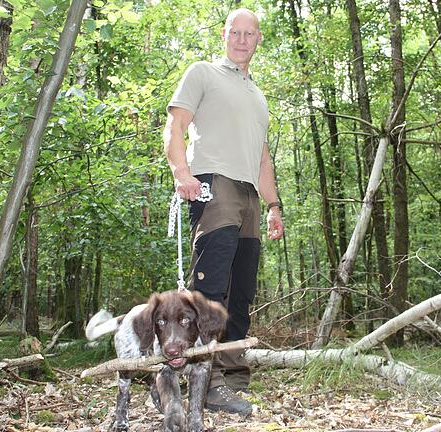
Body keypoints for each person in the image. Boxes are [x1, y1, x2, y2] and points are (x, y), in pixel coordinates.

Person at [163, 8, 284, 416]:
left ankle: (233, 378)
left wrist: (273, 205)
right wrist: (182, 171)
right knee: (210, 290)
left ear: (258, 40)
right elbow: (176, 126)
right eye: (236, 32)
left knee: (242, 291)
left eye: (251, 34)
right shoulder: (203, 73)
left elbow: (263, 158)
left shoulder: (258, 95)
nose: (243, 39)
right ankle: (206, 381)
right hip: (214, 184)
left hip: (250, 193)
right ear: (225, 34)